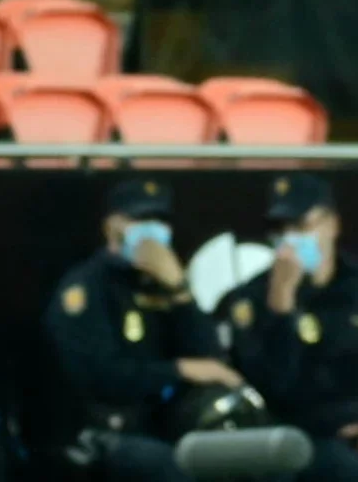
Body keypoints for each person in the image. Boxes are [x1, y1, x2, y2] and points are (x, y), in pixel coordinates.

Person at [215, 173, 358, 482]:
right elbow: (271, 388)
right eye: (281, 229)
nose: (290, 239)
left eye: (300, 226)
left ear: (331, 224)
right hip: (297, 440)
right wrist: (281, 307)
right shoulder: (251, 299)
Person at [39, 178, 245, 482]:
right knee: (171, 468)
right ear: (112, 226)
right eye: (140, 219)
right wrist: (179, 370)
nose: (152, 230)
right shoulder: (87, 288)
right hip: (104, 430)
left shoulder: (163, 284)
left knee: (242, 459)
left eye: (159, 219)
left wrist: (179, 290)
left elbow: (210, 357)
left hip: (169, 425)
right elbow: (100, 376)